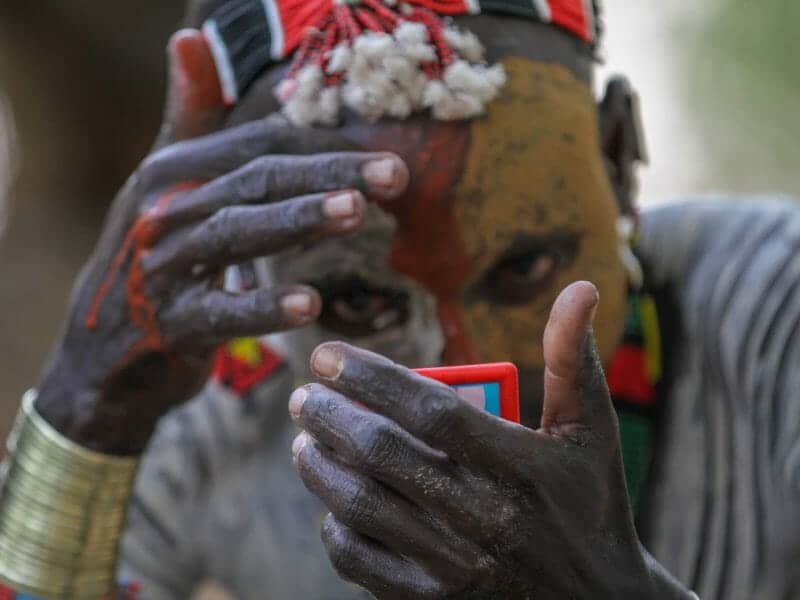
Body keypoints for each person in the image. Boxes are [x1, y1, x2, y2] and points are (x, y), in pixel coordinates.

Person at [0, 1, 797, 600]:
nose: (461, 377)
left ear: (619, 158)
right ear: (254, 269)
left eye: (527, 268)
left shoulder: (774, 309)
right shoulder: (210, 414)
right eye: (356, 302)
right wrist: (83, 420)